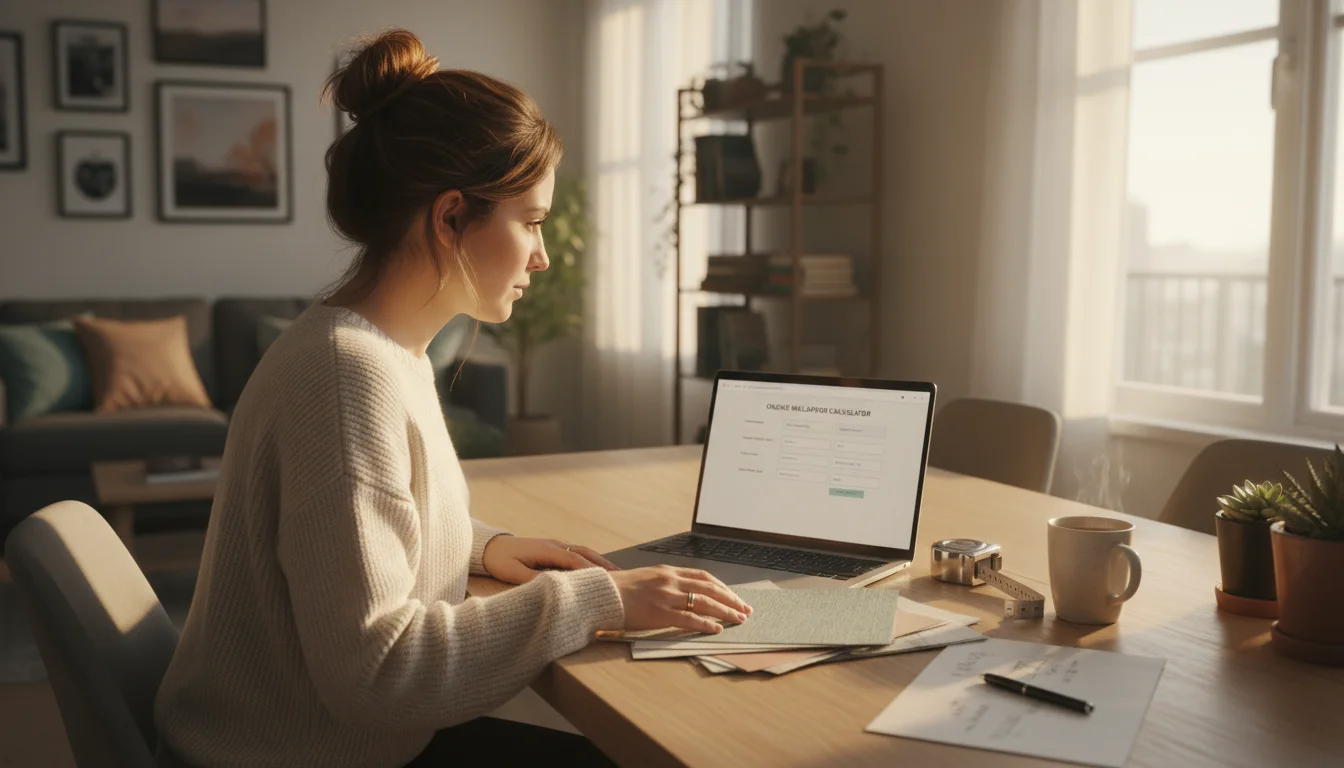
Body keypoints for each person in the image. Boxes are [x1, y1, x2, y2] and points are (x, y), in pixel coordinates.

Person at [152, 29, 752, 768]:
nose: (543, 254)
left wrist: (483, 545)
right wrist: (602, 600)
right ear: (449, 217)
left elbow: (362, 528)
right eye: (530, 222)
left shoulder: (377, 351)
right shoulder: (348, 379)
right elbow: (378, 674)